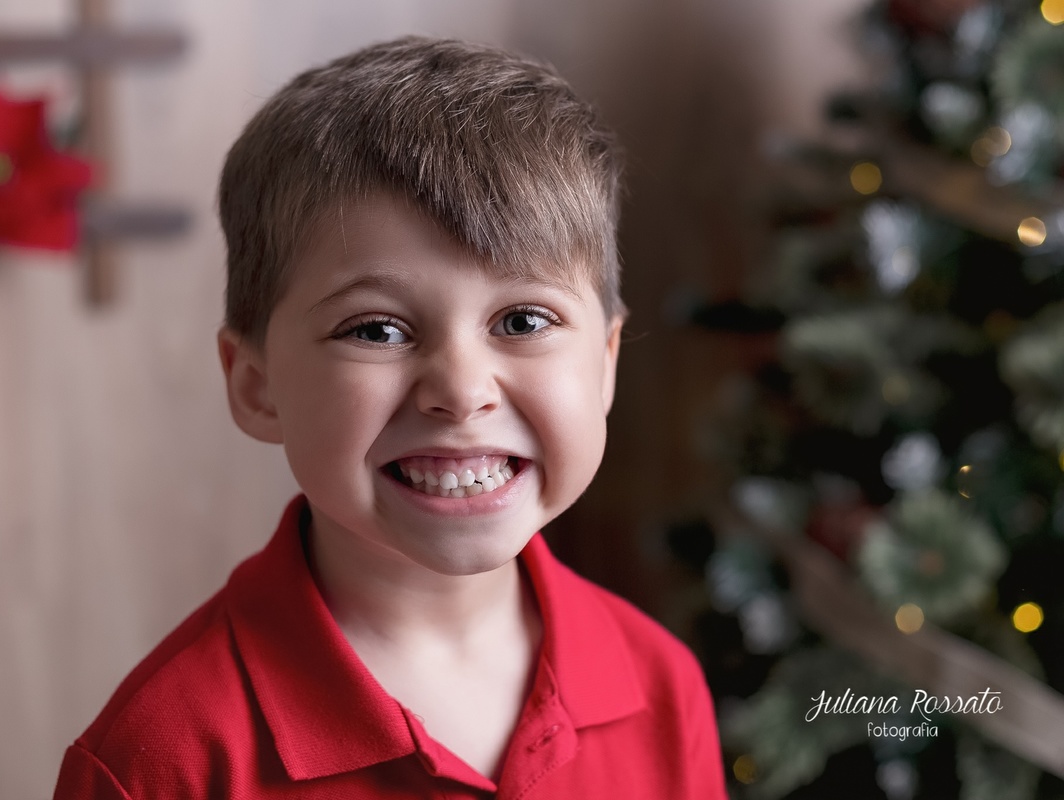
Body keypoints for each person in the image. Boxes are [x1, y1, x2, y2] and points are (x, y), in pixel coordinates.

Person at [52, 36, 727, 799]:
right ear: (256, 386)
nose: (462, 390)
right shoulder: (160, 758)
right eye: (376, 329)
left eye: (524, 320)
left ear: (605, 363)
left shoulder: (662, 686)